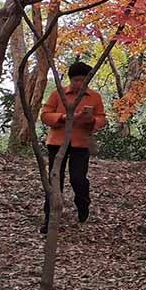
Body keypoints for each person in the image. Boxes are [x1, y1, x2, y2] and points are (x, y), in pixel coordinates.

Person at [39, 61, 106, 233]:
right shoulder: (58, 94)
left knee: (78, 179)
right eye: (77, 80)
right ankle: (50, 219)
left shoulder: (94, 97)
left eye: (84, 80)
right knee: (55, 181)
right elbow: (45, 115)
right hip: (57, 142)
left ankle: (83, 203)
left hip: (80, 143)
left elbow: (102, 119)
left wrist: (91, 120)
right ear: (71, 79)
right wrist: (63, 117)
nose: (80, 84)